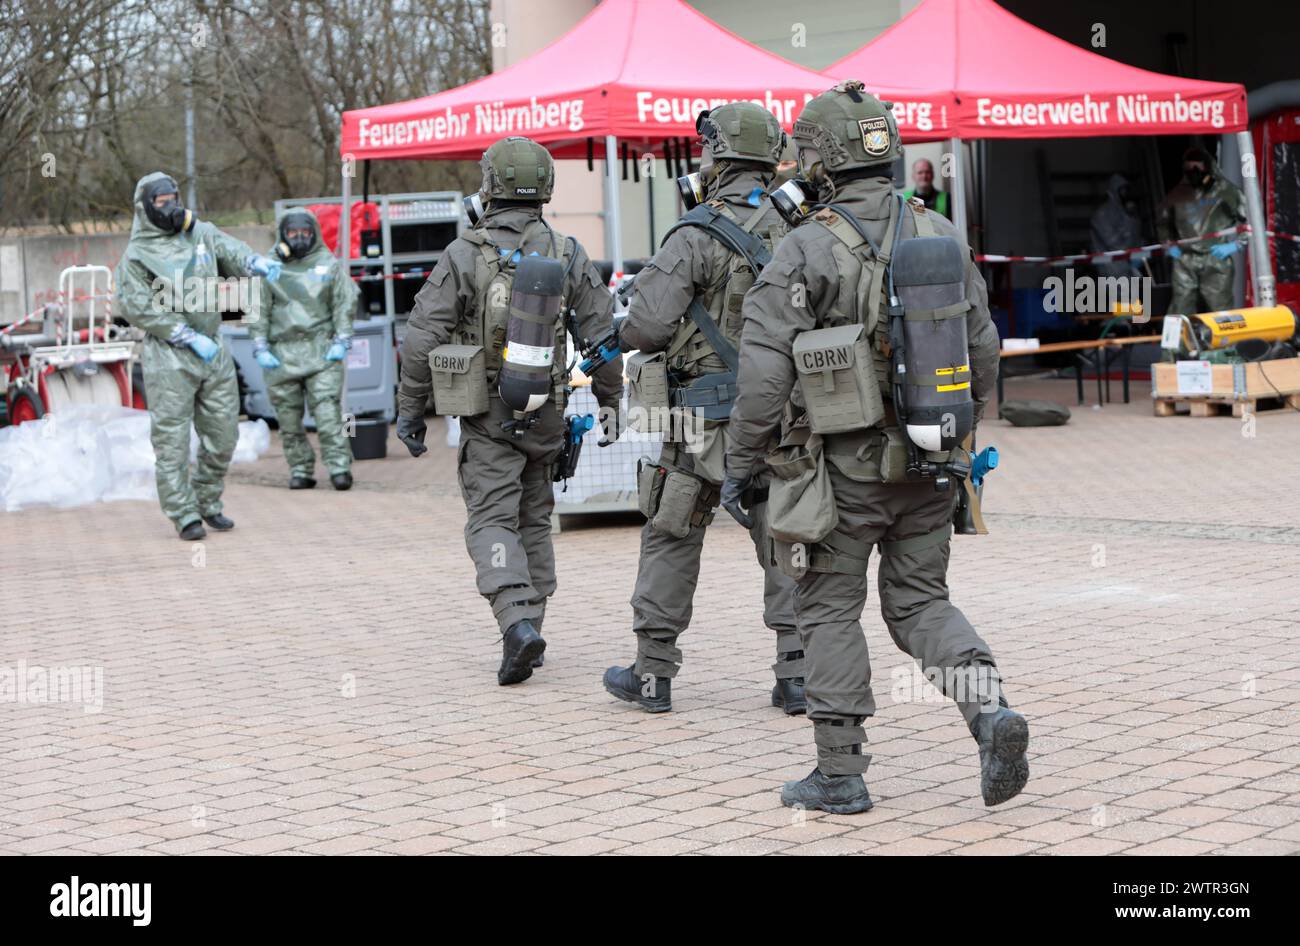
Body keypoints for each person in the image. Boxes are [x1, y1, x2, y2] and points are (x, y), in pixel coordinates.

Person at [722, 81, 1028, 814]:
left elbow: (763, 377)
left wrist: (739, 466)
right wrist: (958, 435)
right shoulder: (940, 233)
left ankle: (840, 773)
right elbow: (983, 349)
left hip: (835, 472)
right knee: (921, 599)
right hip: (931, 459)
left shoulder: (803, 246)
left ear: (822, 159)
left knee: (825, 605)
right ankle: (988, 712)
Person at [601, 102, 806, 715]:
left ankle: (653, 674)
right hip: (780, 415)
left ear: (715, 157)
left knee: (672, 532)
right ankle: (797, 675)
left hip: (698, 420)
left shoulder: (693, 233)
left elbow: (643, 326)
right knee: (784, 532)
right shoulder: (804, 228)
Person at [395, 136, 624, 686]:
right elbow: (602, 337)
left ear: (490, 186)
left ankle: (517, 623)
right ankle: (531, 629)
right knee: (535, 518)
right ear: (544, 187)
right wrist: (613, 402)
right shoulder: (568, 252)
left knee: (492, 519)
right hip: (548, 410)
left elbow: (421, 337)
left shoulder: (463, 254)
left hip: (486, 413)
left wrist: (409, 411)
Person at [114, 171, 281, 540]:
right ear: (146, 207)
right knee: (171, 440)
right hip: (169, 353)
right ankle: (183, 513)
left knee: (223, 435)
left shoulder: (199, 233)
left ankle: (208, 501)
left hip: (212, 347)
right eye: (161, 202)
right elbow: (137, 306)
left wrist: (255, 263)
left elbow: (229, 249)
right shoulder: (137, 256)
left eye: (174, 197)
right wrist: (183, 334)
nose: (171, 207)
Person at [252, 208, 359, 490]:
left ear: (314, 233)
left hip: (320, 349)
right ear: (282, 234)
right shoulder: (269, 267)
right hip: (281, 352)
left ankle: (339, 467)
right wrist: (260, 345)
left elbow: (344, 303)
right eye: (292, 233)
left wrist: (342, 340)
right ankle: (300, 468)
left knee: (328, 414)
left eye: (304, 233)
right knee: (288, 420)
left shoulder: (328, 264)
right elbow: (258, 309)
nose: (299, 239)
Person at [1157, 146, 1246, 315]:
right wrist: (1168, 244)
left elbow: (1250, 218)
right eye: (1189, 168)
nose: (1194, 172)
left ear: (1208, 167)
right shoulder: (1177, 195)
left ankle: (1224, 342)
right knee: (1180, 307)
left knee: (1220, 308)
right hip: (1185, 258)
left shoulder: (1225, 191)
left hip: (1215, 257)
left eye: (1198, 167)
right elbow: (1163, 223)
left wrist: (1236, 245)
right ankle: (1176, 342)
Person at [1091, 173, 1144, 279]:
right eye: (1122, 190)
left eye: (1126, 190)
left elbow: (1137, 239)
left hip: (1128, 269)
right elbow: (1113, 243)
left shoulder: (1127, 214)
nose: (1125, 194)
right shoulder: (1102, 215)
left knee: (1136, 295)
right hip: (1111, 270)